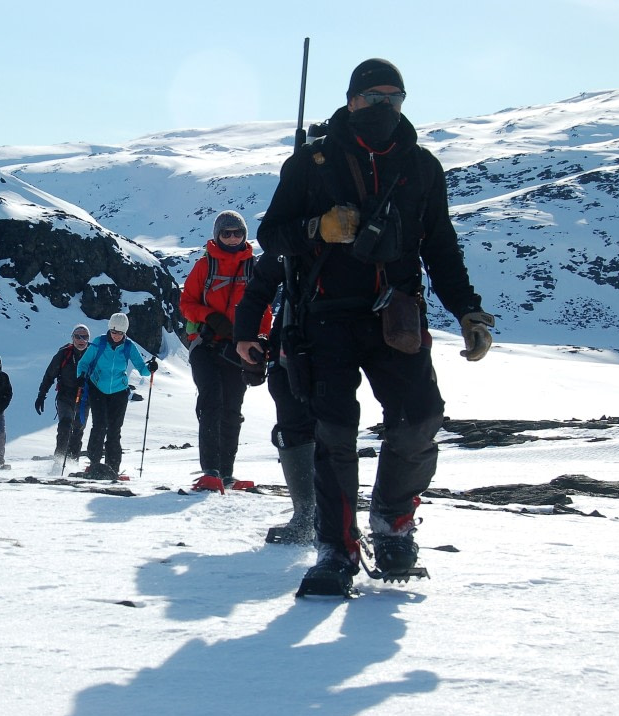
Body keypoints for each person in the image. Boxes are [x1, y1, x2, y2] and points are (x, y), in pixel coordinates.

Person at [254, 58, 495, 593]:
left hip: (396, 316)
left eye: (394, 98)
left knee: (420, 416)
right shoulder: (310, 163)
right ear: (352, 100)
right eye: (374, 97)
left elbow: (440, 247)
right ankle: (336, 551)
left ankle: (392, 526)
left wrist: (467, 309)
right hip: (325, 317)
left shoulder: (422, 168)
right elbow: (272, 235)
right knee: (333, 435)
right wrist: (319, 228)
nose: (384, 107)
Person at [181, 210, 271, 492]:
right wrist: (210, 317)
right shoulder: (203, 266)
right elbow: (186, 303)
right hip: (205, 344)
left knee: (232, 408)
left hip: (239, 348)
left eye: (237, 233)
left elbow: (264, 309)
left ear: (245, 235)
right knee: (211, 401)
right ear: (217, 235)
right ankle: (210, 470)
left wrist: (261, 340)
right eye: (226, 232)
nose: (232, 237)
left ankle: (226, 474)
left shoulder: (253, 268)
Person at [235, 251, 317, 544]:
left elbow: (260, 284)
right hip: (297, 332)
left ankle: (313, 515)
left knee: (309, 419)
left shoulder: (294, 224)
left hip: (302, 329)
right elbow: (262, 284)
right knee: (302, 415)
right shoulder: (293, 230)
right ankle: (314, 515)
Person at [74, 312, 154, 478]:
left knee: (114, 430)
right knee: (99, 425)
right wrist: (81, 376)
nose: (116, 335)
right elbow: (83, 363)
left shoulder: (129, 347)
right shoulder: (99, 342)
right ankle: (94, 463)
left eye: (120, 333)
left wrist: (151, 368)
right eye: (113, 332)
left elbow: (142, 369)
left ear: (125, 333)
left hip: (119, 392)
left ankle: (113, 467)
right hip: (97, 389)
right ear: (109, 329)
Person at [35, 324, 91, 474]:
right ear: (72, 338)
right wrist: (42, 395)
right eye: (78, 336)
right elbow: (49, 375)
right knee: (65, 426)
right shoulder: (64, 354)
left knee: (78, 430)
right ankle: (58, 463)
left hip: (84, 398)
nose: (81, 340)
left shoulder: (93, 354)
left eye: (84, 337)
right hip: (65, 397)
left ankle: (72, 464)